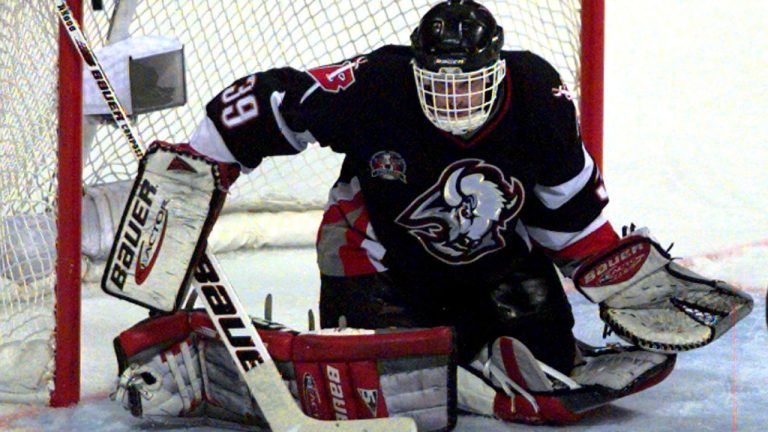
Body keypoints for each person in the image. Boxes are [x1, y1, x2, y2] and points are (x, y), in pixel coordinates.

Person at [110, 0, 751, 429]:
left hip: (495, 264)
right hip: (377, 259)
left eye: (471, 83)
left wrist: (614, 268)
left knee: (555, 363)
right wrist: (202, 163)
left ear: (498, 71)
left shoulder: (537, 96)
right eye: (440, 83)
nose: (456, 99)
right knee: (383, 381)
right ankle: (454, 360)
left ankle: (485, 354)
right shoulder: (377, 86)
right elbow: (265, 100)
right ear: (417, 72)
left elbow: (569, 213)